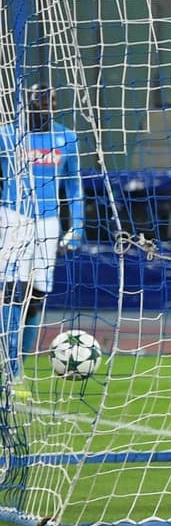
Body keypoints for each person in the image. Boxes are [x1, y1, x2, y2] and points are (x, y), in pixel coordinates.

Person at [0, 85, 84, 399]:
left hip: (49, 224)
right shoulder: (6, 136)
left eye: (47, 103)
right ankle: (12, 372)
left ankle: (17, 361)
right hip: (13, 219)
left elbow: (74, 186)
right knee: (11, 292)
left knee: (36, 297)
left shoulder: (67, 137)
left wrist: (77, 227)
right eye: (35, 103)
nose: (41, 108)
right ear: (24, 105)